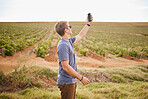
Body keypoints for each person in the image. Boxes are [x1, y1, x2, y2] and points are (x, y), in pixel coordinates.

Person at [54, 14, 93, 99]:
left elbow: (81, 35)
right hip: (66, 82)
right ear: (66, 30)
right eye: (69, 26)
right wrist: (81, 78)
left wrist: (88, 24)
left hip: (70, 80)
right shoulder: (63, 45)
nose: (71, 28)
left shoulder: (68, 41)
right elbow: (65, 67)